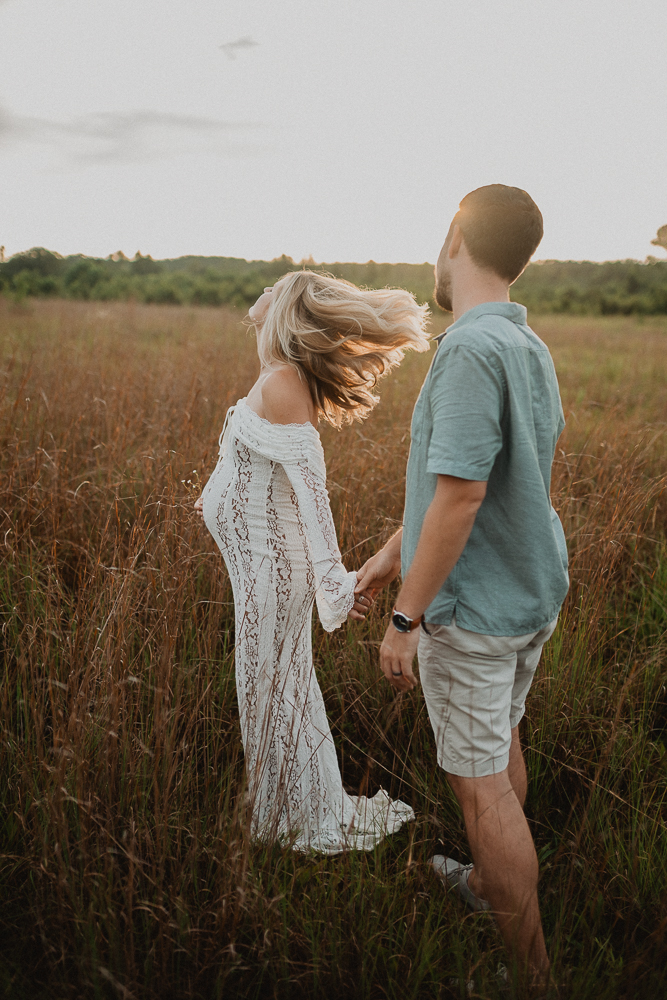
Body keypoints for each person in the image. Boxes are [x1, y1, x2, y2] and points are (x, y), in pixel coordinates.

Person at [355, 185, 569, 987]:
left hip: (474, 612)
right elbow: (471, 480)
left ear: (455, 237)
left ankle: (535, 975)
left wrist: (405, 616)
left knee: (480, 791)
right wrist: (389, 553)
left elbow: (462, 494)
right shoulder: (524, 344)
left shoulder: (468, 350)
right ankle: (487, 885)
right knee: (500, 744)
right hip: (525, 596)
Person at [195, 270, 429, 853]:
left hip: (274, 577)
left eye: (276, 285)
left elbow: (312, 492)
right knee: (274, 690)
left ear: (288, 306)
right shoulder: (276, 375)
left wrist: (332, 582)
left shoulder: (281, 383)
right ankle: (292, 811)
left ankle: (291, 822)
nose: (263, 290)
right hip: (261, 574)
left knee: (271, 690)